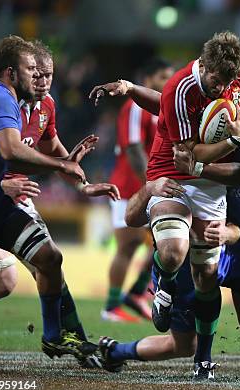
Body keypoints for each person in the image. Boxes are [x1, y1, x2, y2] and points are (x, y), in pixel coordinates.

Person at [89, 31, 240, 376]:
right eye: (216, 80)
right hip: (174, 171)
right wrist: (234, 138)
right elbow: (189, 156)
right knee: (173, 251)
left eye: (228, 82)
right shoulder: (180, 88)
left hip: (211, 183)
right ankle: (162, 287)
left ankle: (203, 360)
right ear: (203, 66)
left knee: (206, 277)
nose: (222, 88)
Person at [0, 39, 118, 366]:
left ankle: (60, 336)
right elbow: (11, 152)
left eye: (47, 74)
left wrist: (81, 182)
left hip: (2, 203)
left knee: (49, 258)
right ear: (15, 73)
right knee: (5, 279)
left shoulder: (44, 106)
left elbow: (56, 153)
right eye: (34, 73)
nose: (42, 80)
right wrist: (59, 166)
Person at [103, 58, 174, 323]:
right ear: (148, 79)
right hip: (128, 187)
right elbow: (133, 148)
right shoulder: (136, 106)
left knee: (162, 241)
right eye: (162, 76)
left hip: (150, 186)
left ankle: (136, 293)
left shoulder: (164, 108)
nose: (168, 81)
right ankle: (111, 307)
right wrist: (151, 185)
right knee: (128, 246)